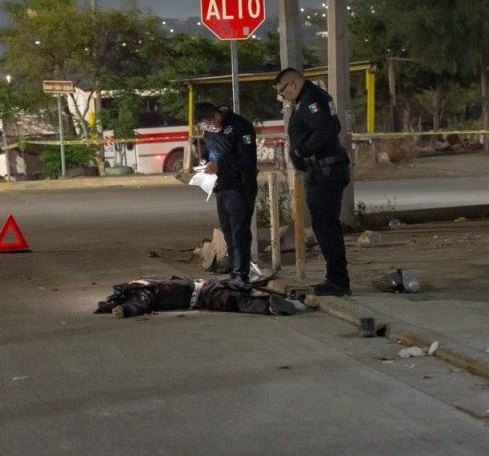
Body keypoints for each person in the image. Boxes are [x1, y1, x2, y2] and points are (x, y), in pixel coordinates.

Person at [272, 67, 352, 296]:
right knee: (325, 227)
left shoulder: (311, 100)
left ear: (293, 85)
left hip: (325, 173)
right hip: (323, 171)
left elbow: (326, 130)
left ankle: (338, 282)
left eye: (282, 92)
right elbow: (332, 126)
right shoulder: (314, 97)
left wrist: (303, 151)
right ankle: (335, 278)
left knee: (326, 228)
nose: (282, 97)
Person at [195, 102, 259, 285]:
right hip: (220, 187)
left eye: (208, 124)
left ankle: (241, 275)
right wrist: (204, 161)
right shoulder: (209, 131)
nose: (207, 130)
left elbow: (247, 161)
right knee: (229, 234)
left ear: (217, 116)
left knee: (240, 234)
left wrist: (220, 166)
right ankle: (235, 272)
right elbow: (208, 151)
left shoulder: (240, 126)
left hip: (239, 187)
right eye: (203, 127)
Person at [94, 276, 302, 318]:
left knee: (241, 288)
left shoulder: (143, 284)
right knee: (235, 299)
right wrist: (126, 309)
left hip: (204, 286)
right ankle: (272, 307)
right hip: (201, 294)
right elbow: (140, 303)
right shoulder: (139, 292)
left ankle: (284, 301)